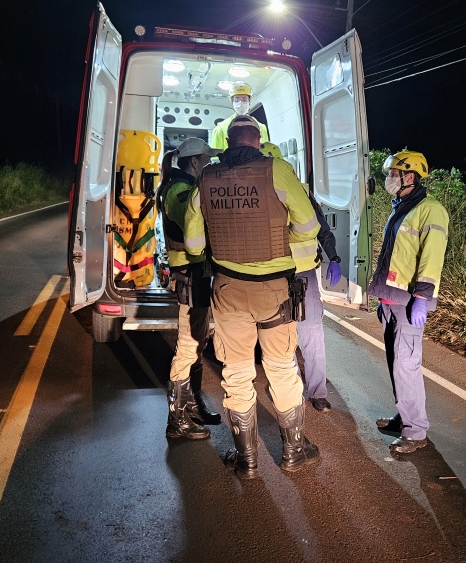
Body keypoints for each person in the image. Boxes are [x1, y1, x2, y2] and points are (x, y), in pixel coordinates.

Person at [185, 115, 322, 478]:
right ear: (257, 142)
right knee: (281, 366)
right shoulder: (275, 170)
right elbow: (309, 224)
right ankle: (294, 451)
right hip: (274, 289)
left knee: (237, 371)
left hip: (227, 288)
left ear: (228, 143)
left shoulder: (207, 177)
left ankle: (246, 460)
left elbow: (194, 243)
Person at [370, 151, 449, 454]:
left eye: (394, 174)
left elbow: (432, 257)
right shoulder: (402, 207)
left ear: (410, 176)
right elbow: (393, 256)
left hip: (410, 302)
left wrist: (422, 298)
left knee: (406, 365)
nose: (389, 179)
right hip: (393, 300)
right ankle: (404, 417)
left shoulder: (430, 210)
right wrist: (383, 298)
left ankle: (416, 432)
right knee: (395, 363)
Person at [260, 141, 342, 413]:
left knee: (312, 335)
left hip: (304, 275)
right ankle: (290, 391)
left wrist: (335, 258)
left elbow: (323, 231)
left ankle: (317, 392)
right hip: (277, 275)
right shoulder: (258, 200)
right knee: (282, 335)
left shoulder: (303, 194)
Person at [158, 137, 223, 440]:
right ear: (196, 162)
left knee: (197, 344)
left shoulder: (183, 187)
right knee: (187, 348)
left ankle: (193, 407)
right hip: (189, 277)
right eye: (207, 161)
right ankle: (178, 421)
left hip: (196, 277)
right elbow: (195, 224)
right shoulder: (181, 191)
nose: (210, 165)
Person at [209, 81, 269, 151]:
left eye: (244, 100)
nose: (240, 104)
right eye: (237, 100)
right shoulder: (220, 129)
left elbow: (265, 153)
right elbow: (216, 158)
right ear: (232, 102)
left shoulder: (261, 128)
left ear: (249, 102)